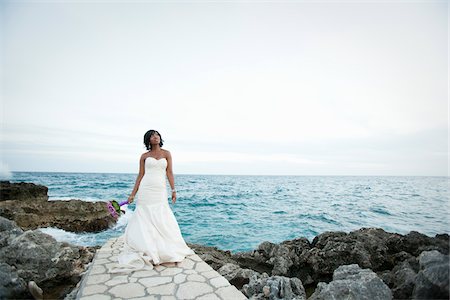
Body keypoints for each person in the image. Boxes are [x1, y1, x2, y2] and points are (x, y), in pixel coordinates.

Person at [110, 130, 195, 273]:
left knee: (161, 214)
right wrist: (132, 194)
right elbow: (140, 175)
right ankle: (146, 245)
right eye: (152, 135)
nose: (155, 137)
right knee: (145, 216)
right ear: (148, 140)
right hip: (146, 188)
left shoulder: (166, 153)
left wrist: (174, 190)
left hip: (160, 189)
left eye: (157, 135)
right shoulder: (144, 156)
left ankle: (164, 246)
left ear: (160, 138)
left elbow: (169, 172)